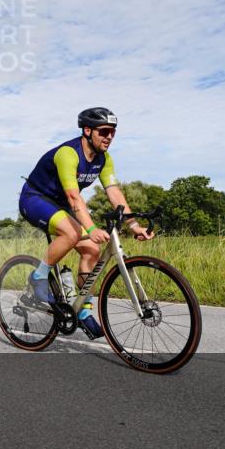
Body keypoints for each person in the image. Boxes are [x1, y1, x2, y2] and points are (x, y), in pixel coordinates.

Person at [18, 107, 153, 339]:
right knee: (70, 235)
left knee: (92, 249)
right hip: (36, 198)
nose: (109, 136)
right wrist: (90, 228)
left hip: (60, 204)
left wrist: (133, 226)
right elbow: (74, 197)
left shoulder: (104, 159)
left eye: (113, 132)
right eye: (104, 131)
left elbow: (114, 193)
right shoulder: (68, 154)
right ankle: (39, 276)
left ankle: (83, 311)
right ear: (88, 131)